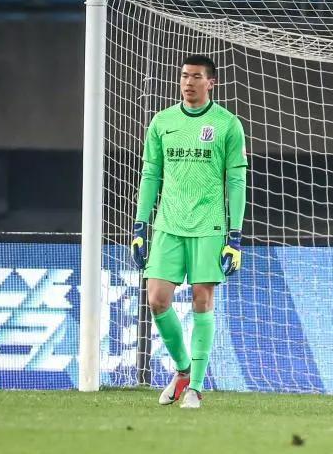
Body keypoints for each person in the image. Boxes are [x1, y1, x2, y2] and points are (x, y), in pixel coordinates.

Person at [131, 54, 247, 409]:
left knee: (202, 299)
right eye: (184, 76)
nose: (188, 82)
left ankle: (195, 387)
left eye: (196, 76)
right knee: (156, 299)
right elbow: (150, 174)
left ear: (211, 82)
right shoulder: (162, 121)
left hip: (209, 226)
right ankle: (183, 370)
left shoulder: (227, 124)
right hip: (168, 224)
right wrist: (140, 225)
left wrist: (235, 236)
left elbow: (236, 180)